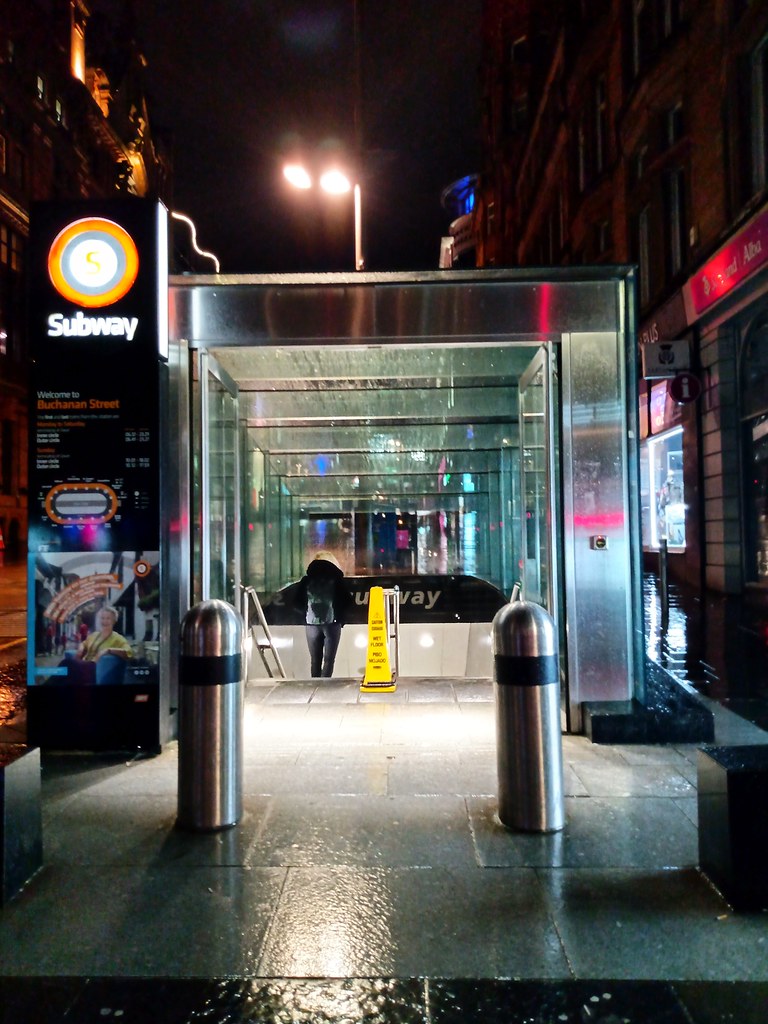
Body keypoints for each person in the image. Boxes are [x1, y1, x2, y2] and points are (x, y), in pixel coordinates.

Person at [293, 552, 353, 678]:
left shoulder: (306, 580)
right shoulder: (336, 579)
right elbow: (348, 601)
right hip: (332, 624)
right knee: (329, 660)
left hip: (311, 624)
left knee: (315, 660)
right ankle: (325, 686)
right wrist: (340, 618)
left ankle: (314, 685)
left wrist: (305, 614)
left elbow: (296, 602)